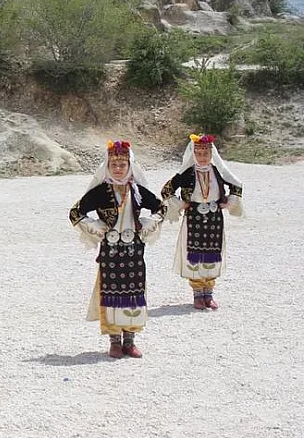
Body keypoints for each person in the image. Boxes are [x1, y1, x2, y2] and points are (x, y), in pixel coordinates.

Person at [69, 140, 165, 359]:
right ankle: (114, 341)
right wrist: (92, 226)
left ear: (130, 166)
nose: (119, 169)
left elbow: (161, 206)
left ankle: (130, 340)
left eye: (122, 165)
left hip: (133, 251)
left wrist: (151, 221)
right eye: (114, 165)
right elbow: (75, 212)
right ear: (108, 167)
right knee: (111, 295)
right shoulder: (100, 192)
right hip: (111, 252)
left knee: (133, 295)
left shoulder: (138, 191)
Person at [160, 134, 244, 310]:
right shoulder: (187, 173)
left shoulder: (217, 171)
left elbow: (236, 184)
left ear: (211, 154)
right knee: (195, 255)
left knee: (213, 253)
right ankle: (198, 293)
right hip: (194, 218)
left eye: (206, 153)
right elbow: (167, 190)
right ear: (193, 154)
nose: (202, 157)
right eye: (199, 154)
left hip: (214, 218)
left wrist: (229, 201)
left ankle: (209, 293)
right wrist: (180, 204)